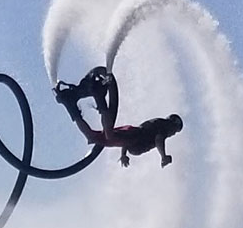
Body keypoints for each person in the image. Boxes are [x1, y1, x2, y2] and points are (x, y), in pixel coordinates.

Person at [54, 67, 183, 168]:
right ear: (174, 126)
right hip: (134, 135)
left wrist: (123, 155)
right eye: (175, 131)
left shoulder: (161, 124)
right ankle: (98, 95)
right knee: (109, 136)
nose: (172, 134)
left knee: (92, 137)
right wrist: (163, 156)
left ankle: (70, 104)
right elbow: (159, 139)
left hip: (131, 137)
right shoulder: (165, 128)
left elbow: (125, 141)